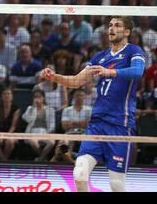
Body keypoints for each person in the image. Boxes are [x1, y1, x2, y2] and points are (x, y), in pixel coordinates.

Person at [41, 16, 146, 192]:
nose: (111, 29)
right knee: (79, 174)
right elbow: (75, 81)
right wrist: (55, 77)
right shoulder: (100, 57)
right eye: (110, 25)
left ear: (127, 32)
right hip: (96, 124)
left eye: (117, 26)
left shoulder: (134, 51)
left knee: (117, 184)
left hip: (120, 124)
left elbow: (138, 71)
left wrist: (110, 72)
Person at [22, 89, 56, 161]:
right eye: (35, 97)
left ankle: (40, 159)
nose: (37, 99)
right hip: (32, 132)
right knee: (33, 142)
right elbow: (26, 119)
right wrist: (33, 108)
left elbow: (52, 124)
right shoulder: (30, 108)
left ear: (43, 98)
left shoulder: (50, 109)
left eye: (39, 96)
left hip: (45, 132)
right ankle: (43, 158)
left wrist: (48, 134)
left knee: (52, 142)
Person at [0, 87, 20, 160]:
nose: (6, 96)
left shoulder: (16, 108)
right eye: (4, 94)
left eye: (8, 94)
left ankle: (4, 159)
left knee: (9, 141)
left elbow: (13, 126)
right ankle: (3, 159)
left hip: (11, 132)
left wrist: (6, 136)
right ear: (1, 96)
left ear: (12, 96)